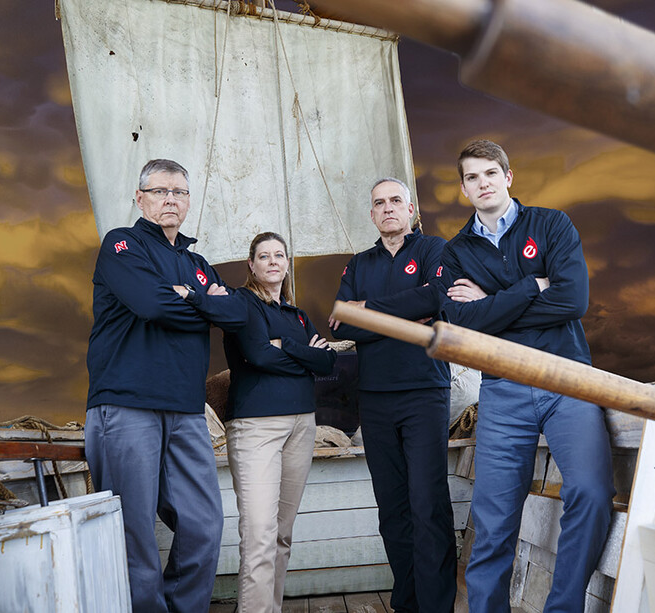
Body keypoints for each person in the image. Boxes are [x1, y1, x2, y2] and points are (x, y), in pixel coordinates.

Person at [440, 140, 615, 613]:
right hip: (503, 388)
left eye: (491, 173)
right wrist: (528, 287)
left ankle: (563, 607)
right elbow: (463, 325)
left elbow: (572, 301)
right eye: (472, 177)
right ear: (463, 188)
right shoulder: (455, 252)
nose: (483, 183)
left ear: (509, 176)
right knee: (493, 521)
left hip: (568, 380)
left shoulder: (552, 224)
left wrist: (492, 303)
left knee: (592, 492)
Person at [85, 158, 247, 613]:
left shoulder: (196, 264)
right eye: (159, 191)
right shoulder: (122, 245)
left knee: (203, 523)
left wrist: (189, 295)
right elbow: (151, 305)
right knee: (133, 533)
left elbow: (237, 315)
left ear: (189, 201)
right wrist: (205, 304)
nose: (170, 199)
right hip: (125, 404)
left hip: (185, 410)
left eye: (178, 192)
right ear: (140, 198)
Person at [329, 177, 457, 612]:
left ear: (411, 208)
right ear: (371, 214)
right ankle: (407, 602)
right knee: (393, 510)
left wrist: (369, 312)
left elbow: (437, 296)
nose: (387, 209)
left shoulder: (435, 250)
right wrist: (407, 311)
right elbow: (341, 323)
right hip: (376, 397)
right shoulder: (358, 263)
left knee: (428, 505)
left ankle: (436, 606)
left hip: (424, 393)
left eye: (395, 201)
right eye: (379, 203)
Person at [223, 231, 335, 613]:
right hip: (257, 428)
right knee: (259, 533)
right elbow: (257, 355)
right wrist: (302, 352)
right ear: (251, 264)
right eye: (264, 256)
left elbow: (327, 362)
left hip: (302, 425)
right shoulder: (242, 304)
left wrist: (283, 346)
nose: (273, 261)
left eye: (280, 255)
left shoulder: (298, 315)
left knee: (282, 534)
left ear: (287, 263)